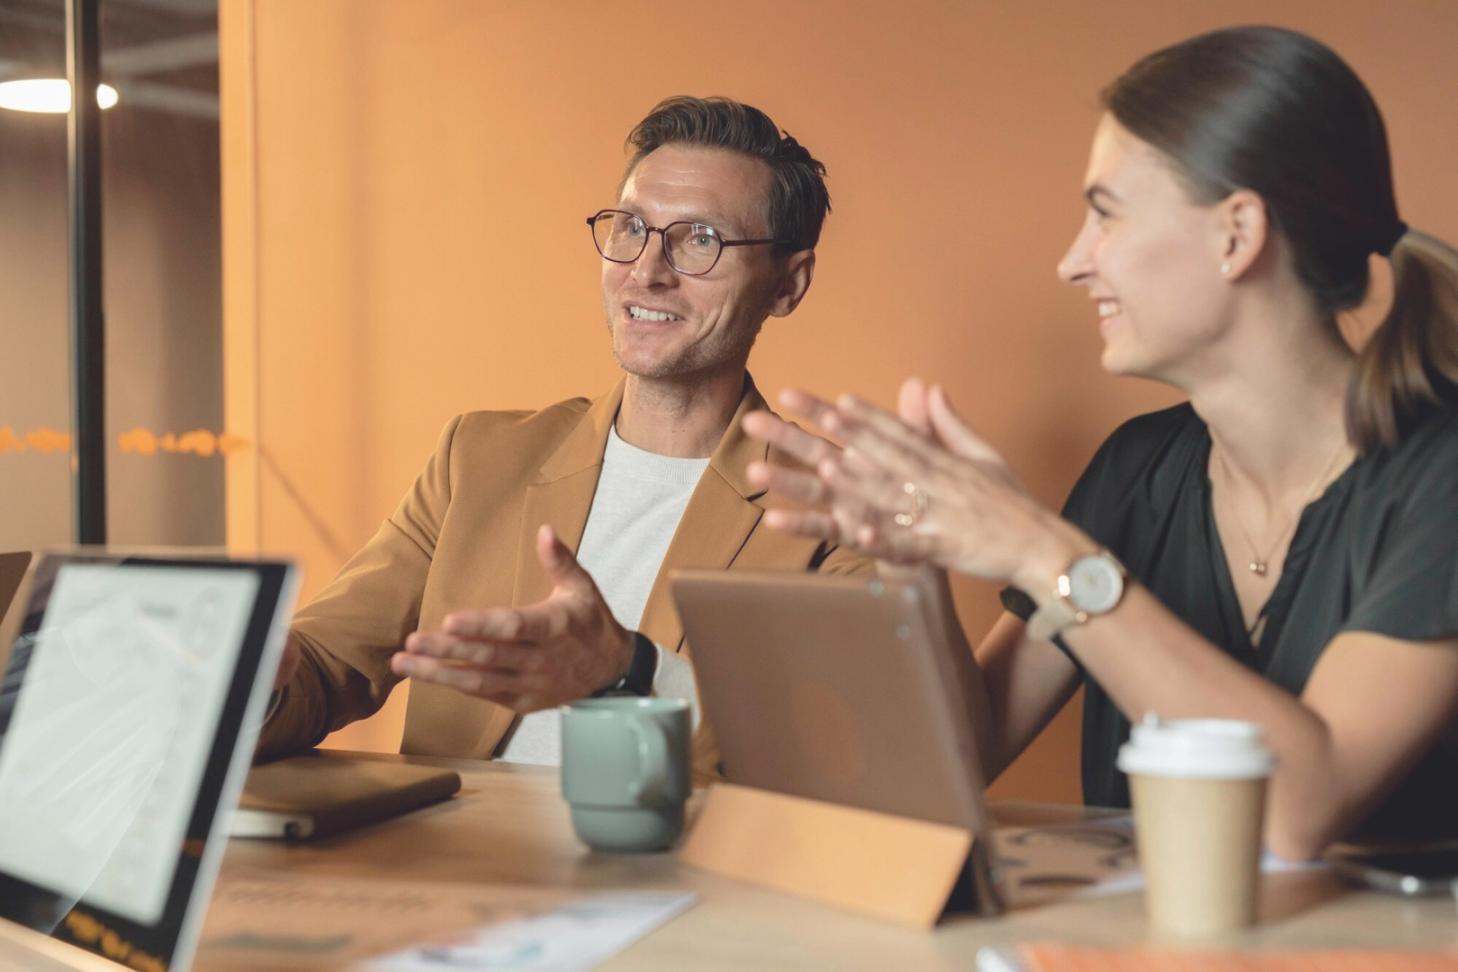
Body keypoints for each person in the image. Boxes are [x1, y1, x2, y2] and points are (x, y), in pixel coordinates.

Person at [744, 26, 1458, 859]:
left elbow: (1295, 808)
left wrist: (1035, 545)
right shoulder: (1136, 470)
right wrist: (918, 560)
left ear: (1237, 234)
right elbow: (967, 752)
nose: (1073, 263)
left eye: (1105, 216)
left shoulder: (1438, 479)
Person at [257, 96, 870, 778]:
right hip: (454, 870)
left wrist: (628, 672)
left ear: (788, 285)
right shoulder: (479, 458)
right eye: (632, 227)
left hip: (682, 877)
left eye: (701, 239)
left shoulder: (838, 509)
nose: (646, 270)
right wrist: (255, 677)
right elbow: (321, 665)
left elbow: (828, 763)